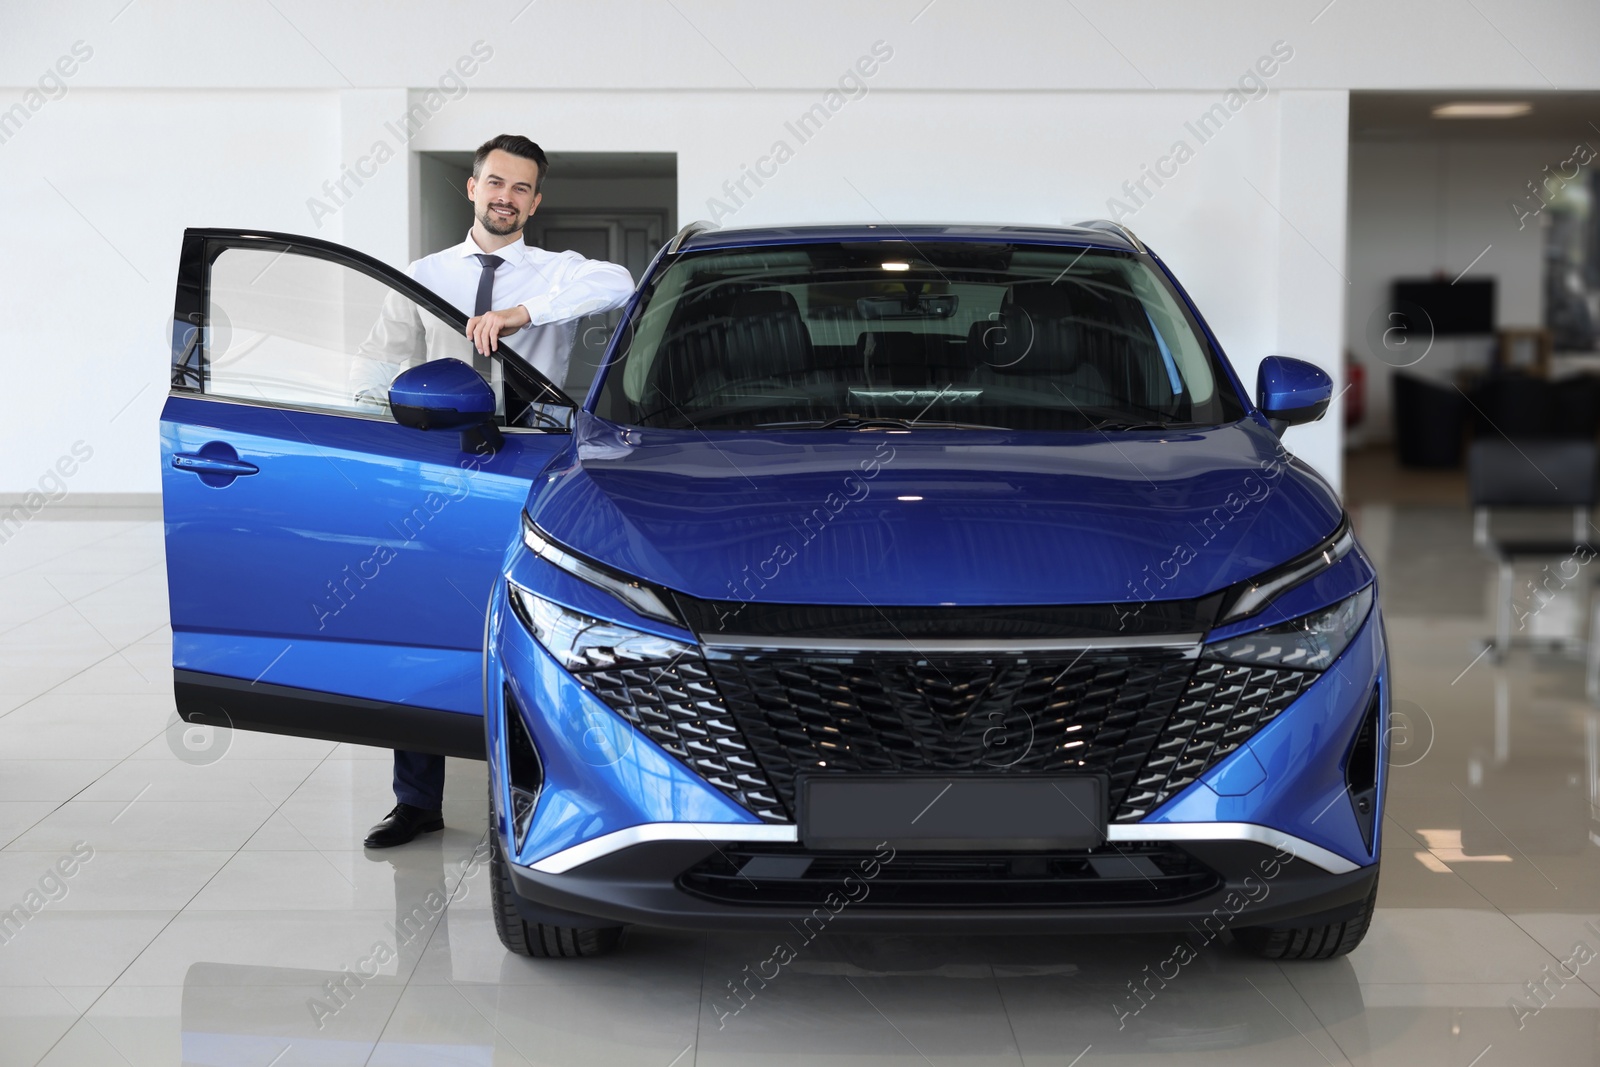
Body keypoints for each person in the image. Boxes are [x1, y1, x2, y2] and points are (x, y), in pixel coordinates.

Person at [363, 133, 634, 848]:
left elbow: (620, 285)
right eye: (494, 183)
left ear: (535, 201)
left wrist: (521, 316)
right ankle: (416, 799)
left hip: (524, 466)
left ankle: (533, 792)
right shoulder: (423, 274)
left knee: (526, 619)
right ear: (472, 188)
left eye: (520, 188)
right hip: (433, 470)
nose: (505, 197)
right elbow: (379, 370)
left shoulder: (556, 274)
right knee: (422, 620)